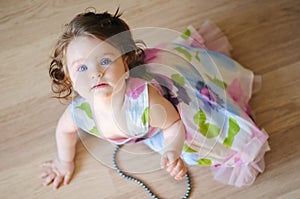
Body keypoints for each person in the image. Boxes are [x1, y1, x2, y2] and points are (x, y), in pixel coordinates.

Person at [39, 8, 270, 190]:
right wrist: (64, 162)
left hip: (172, 95)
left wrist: (172, 148)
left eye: (105, 61)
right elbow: (64, 131)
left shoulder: (144, 102)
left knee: (209, 129)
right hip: (138, 126)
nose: (95, 73)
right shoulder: (80, 111)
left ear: (126, 64)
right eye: (81, 68)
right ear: (69, 79)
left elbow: (173, 123)